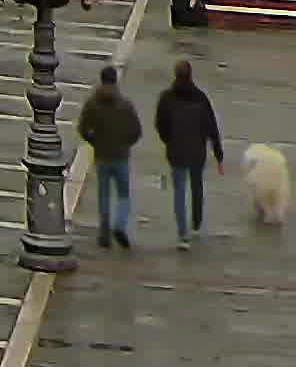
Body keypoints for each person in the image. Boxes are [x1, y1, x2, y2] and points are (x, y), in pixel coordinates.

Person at [153, 60, 224, 248]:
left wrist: (167, 140)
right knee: (197, 186)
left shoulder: (167, 98)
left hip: (176, 151)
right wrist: (218, 154)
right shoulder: (201, 98)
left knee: (179, 191)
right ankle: (196, 222)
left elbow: (160, 124)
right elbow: (211, 127)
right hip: (196, 151)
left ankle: (183, 234)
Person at [76, 66, 141, 248]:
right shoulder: (125, 104)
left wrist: (94, 141)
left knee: (103, 195)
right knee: (123, 195)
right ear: (115, 80)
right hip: (120, 155)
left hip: (102, 155)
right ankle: (119, 224)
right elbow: (136, 130)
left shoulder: (92, 103)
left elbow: (82, 128)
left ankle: (103, 233)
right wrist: (126, 142)